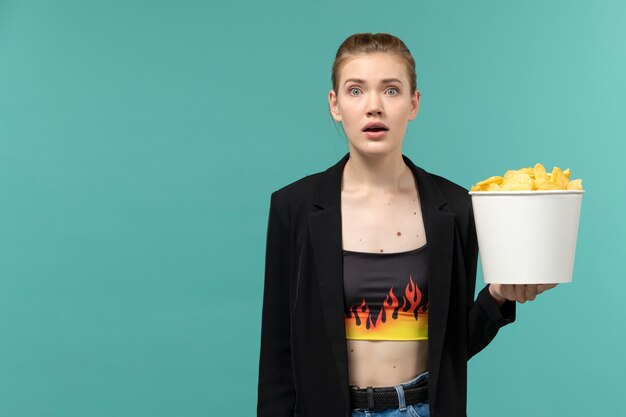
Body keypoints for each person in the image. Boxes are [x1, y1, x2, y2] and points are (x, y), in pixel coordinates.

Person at [257, 32, 557, 417]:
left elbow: (451, 348)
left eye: (392, 91)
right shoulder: (293, 208)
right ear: (335, 105)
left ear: (414, 104)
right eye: (355, 90)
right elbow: (278, 355)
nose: (374, 107)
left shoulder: (456, 208)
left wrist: (497, 297)